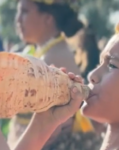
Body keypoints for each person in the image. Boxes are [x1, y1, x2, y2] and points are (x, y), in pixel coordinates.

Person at [8, 0, 101, 149]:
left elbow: (55, 131)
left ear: (48, 19)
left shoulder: (54, 59)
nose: (17, 19)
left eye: (25, 12)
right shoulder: (38, 53)